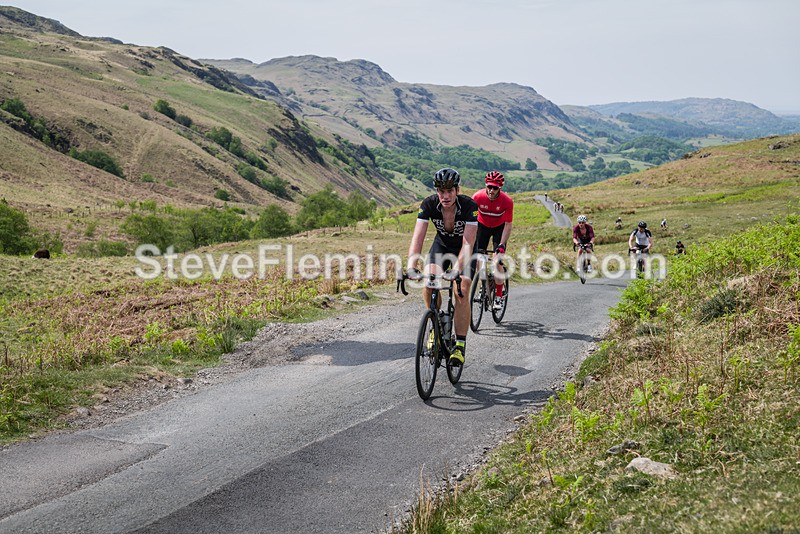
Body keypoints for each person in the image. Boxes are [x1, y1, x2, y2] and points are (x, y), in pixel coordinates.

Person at [407, 168, 478, 367]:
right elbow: (418, 237)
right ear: (437, 191)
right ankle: (435, 327)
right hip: (442, 245)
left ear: (457, 190)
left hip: (465, 248)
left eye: (449, 191)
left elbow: (467, 244)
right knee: (429, 283)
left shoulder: (469, 206)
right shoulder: (428, 204)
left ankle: (460, 346)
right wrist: (412, 265)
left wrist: (456, 270)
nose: (445, 196)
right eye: (441, 191)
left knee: (461, 288)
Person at [472, 171, 514, 309]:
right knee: (479, 259)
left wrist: (501, 245)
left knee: (497, 262)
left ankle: (498, 296)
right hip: (482, 227)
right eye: (489, 187)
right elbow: (470, 222)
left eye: (495, 188)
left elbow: (508, 225)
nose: (491, 190)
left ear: (500, 188)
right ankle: (482, 286)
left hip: (499, 229)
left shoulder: (507, 201)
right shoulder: (477, 197)